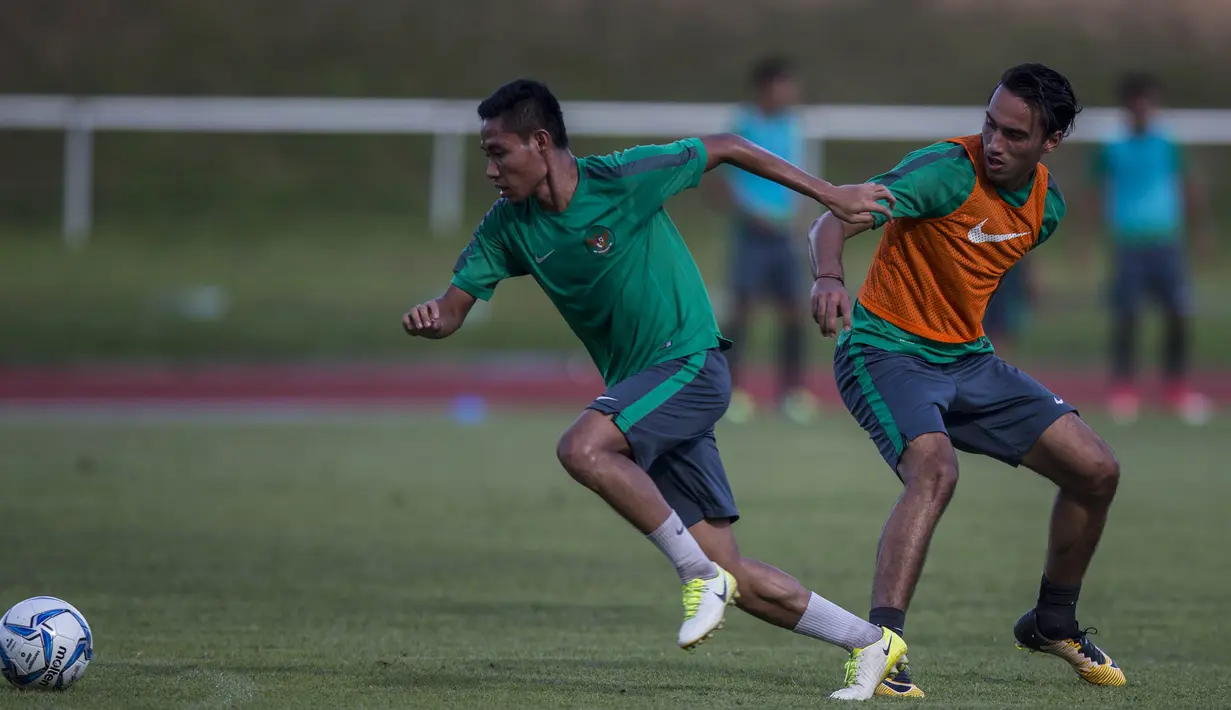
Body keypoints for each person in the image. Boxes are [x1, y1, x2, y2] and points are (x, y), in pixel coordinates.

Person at [403, 78, 907, 700]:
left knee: (582, 449)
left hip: (689, 364)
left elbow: (727, 146)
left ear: (540, 142)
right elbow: (453, 310)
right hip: (648, 393)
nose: (489, 169)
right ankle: (871, 644)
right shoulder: (510, 226)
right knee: (733, 571)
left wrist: (832, 195)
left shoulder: (620, 177)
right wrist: (432, 316)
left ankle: (695, 575)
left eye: (498, 152)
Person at [809, 64, 1126, 698]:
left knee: (1096, 470)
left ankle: (1052, 621)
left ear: (1050, 142)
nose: (995, 143)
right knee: (935, 469)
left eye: (1014, 133)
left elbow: (975, 265)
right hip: (884, 352)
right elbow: (834, 219)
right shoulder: (945, 171)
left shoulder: (1046, 208)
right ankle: (880, 646)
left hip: (968, 363)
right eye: (989, 124)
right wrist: (828, 277)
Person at [1090, 72, 1213, 425]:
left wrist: (1202, 231)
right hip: (1128, 242)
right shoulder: (1112, 146)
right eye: (1138, 102)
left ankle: (1176, 387)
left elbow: (1188, 185)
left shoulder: (1168, 144)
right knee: (1127, 315)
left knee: (1178, 312)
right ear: (1127, 106)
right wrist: (1084, 238)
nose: (1145, 108)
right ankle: (1124, 389)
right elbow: (1093, 190)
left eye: (1150, 101)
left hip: (1167, 240)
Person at [712, 56, 816, 424]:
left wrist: (802, 218)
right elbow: (722, 182)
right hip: (752, 235)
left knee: (794, 312)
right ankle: (729, 392)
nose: (788, 94)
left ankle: (792, 393)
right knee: (742, 311)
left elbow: (803, 175)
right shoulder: (742, 125)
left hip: (785, 235)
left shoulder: (794, 126)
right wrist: (750, 213)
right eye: (782, 86)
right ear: (765, 88)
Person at [981, 257, 1037, 362]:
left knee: (1003, 332)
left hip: (1007, 292)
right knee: (994, 332)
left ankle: (999, 363)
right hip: (994, 293)